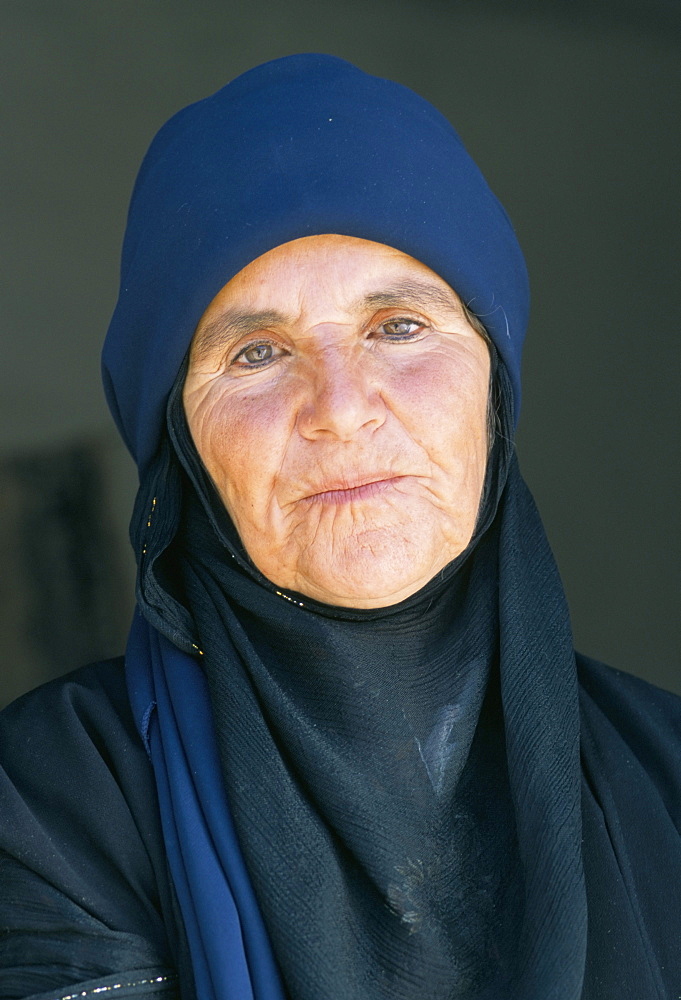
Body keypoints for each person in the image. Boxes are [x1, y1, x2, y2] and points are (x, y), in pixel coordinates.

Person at [0, 53, 679, 1000]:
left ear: (493, 382)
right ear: (182, 436)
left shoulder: (668, 771)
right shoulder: (49, 801)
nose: (342, 407)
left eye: (399, 327)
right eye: (257, 352)